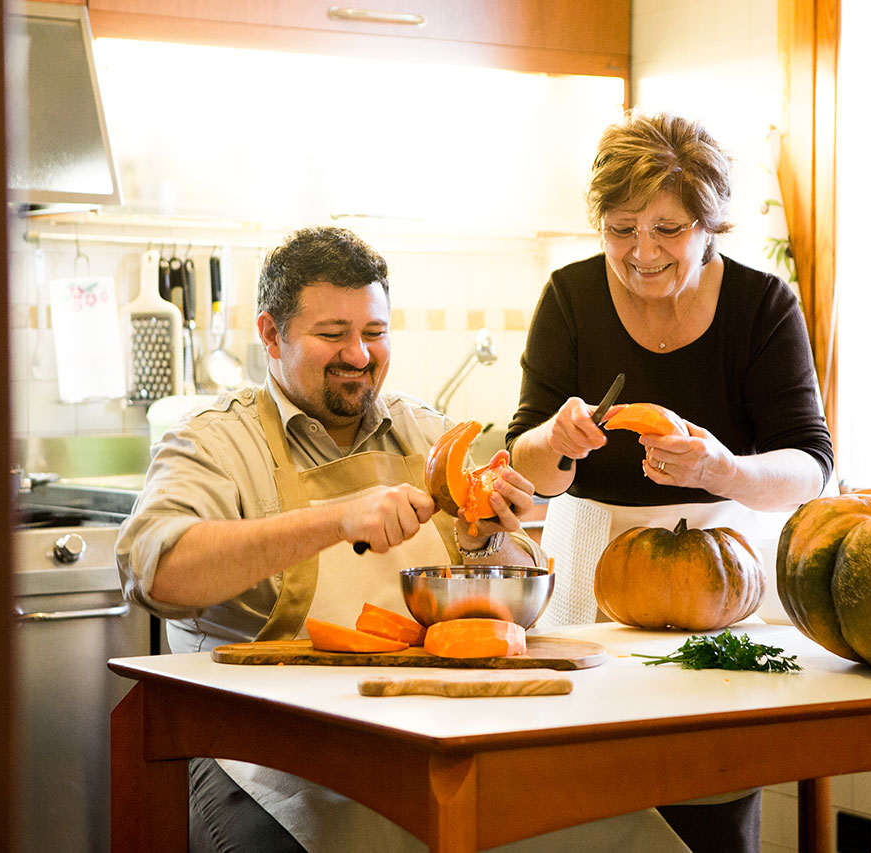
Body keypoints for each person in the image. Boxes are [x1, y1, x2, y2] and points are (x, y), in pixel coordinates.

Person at [116, 225, 691, 853]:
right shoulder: (213, 442)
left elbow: (517, 591)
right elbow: (157, 569)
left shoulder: (427, 433)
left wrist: (486, 544)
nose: (359, 356)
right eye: (332, 335)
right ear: (270, 334)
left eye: (374, 333)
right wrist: (336, 519)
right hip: (265, 752)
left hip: (428, 730)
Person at [505, 112, 836, 853]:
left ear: (709, 223)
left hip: (721, 570)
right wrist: (553, 443)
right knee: (581, 792)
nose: (641, 252)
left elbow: (811, 465)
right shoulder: (569, 298)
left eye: (667, 229)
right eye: (621, 228)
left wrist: (726, 469)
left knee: (709, 788)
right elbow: (522, 460)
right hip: (590, 567)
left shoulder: (763, 307)